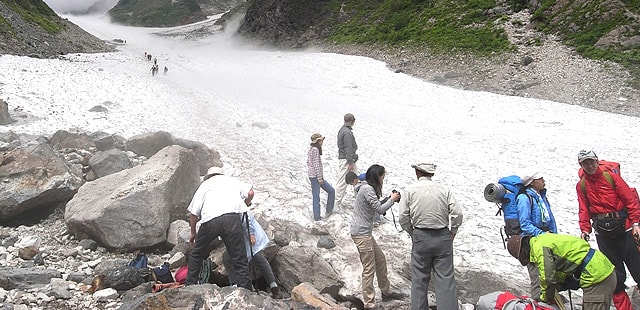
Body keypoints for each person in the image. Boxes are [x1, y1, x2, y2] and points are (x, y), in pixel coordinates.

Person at [576, 150, 640, 310]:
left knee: (638, 267)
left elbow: (630, 200)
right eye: (586, 163)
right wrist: (585, 230)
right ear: (581, 165)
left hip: (624, 230)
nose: (590, 166)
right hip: (602, 234)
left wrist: (636, 224)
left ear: (597, 161)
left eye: (592, 162)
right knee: (615, 276)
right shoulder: (581, 185)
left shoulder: (611, 177)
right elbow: (583, 208)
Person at [398, 163, 463, 310]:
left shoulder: (409, 190)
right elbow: (457, 214)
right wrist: (453, 232)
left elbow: (403, 217)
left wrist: (412, 232)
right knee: (445, 280)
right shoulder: (444, 189)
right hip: (442, 236)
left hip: (420, 236)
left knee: (419, 280)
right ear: (432, 174)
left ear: (417, 172)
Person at [185, 166, 253, 290]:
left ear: (208, 176)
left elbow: (194, 215)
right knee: (239, 258)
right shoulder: (232, 181)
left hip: (210, 220)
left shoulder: (204, 185)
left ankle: (190, 285)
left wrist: (193, 233)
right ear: (221, 174)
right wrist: (245, 204)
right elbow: (250, 193)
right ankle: (246, 291)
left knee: (197, 254)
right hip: (232, 218)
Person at [507, 234, 616, 310]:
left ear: (523, 252)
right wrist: (560, 286)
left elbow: (548, 278)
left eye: (524, 259)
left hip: (597, 277)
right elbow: (559, 268)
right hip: (601, 271)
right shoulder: (542, 239)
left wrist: (544, 299)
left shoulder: (539, 248)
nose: (529, 262)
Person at [350, 164, 405, 309]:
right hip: (362, 233)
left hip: (364, 232)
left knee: (380, 260)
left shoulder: (366, 188)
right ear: (377, 177)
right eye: (382, 177)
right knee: (369, 268)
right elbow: (379, 210)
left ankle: (386, 292)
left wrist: (388, 199)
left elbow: (374, 206)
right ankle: (369, 303)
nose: (383, 179)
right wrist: (392, 200)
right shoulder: (368, 189)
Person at [223, 210, 283, 299]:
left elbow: (246, 217)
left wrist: (251, 234)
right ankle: (235, 286)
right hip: (237, 236)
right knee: (227, 258)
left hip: (250, 233)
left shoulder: (235, 205)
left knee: (257, 256)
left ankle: (274, 287)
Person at [517, 171, 558, 300]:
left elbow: (550, 219)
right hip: (532, 243)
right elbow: (525, 224)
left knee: (549, 275)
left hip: (546, 240)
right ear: (532, 182)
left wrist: (555, 237)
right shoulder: (524, 198)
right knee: (537, 278)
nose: (543, 180)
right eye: (540, 178)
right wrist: (542, 234)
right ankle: (537, 303)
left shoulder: (541, 196)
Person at [307, 133, 335, 221]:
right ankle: (318, 218)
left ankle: (325, 213)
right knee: (317, 196)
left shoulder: (312, 149)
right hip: (316, 176)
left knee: (330, 191)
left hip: (313, 175)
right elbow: (316, 165)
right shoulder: (315, 150)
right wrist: (319, 177)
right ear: (318, 141)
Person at [335, 113, 359, 208]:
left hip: (346, 158)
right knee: (343, 182)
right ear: (353, 121)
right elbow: (348, 148)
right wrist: (350, 162)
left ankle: (359, 200)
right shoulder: (347, 133)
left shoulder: (342, 130)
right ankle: (336, 204)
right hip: (347, 160)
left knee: (356, 179)